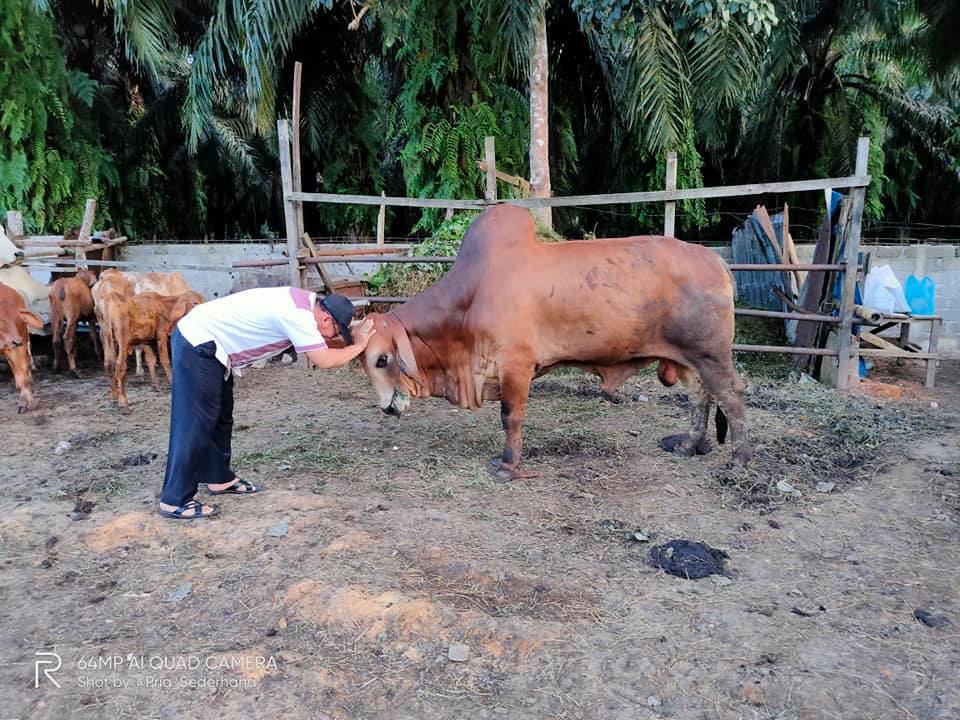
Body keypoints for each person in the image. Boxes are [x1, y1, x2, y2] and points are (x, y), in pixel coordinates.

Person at [158, 287, 374, 520]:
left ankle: (218, 477)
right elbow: (325, 360)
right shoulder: (298, 316)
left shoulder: (304, 303)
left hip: (212, 344)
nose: (330, 338)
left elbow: (324, 347)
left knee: (220, 415)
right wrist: (358, 347)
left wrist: (353, 338)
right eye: (335, 332)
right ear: (326, 319)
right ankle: (175, 499)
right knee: (194, 422)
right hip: (198, 342)